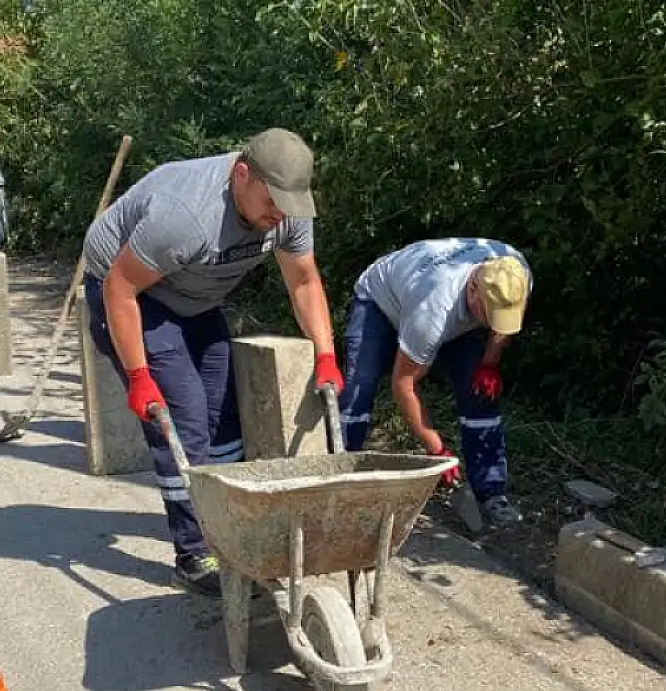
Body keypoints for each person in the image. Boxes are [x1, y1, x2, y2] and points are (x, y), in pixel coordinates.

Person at [80, 128, 343, 595]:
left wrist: (325, 353)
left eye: (287, 204)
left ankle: (228, 532)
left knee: (223, 416)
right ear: (242, 174)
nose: (278, 215)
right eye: (271, 202)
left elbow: (303, 281)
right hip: (131, 293)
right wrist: (139, 378)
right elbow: (120, 287)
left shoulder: (286, 210)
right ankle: (193, 552)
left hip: (196, 298)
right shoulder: (187, 216)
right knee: (183, 418)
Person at [339, 237, 532, 527]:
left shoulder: (516, 274)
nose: (494, 325)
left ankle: (491, 492)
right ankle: (338, 483)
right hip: (380, 302)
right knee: (359, 388)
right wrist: (436, 449)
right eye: (490, 316)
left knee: (479, 393)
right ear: (473, 289)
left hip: (449, 310)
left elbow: (506, 325)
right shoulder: (433, 309)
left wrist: (489, 364)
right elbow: (403, 385)